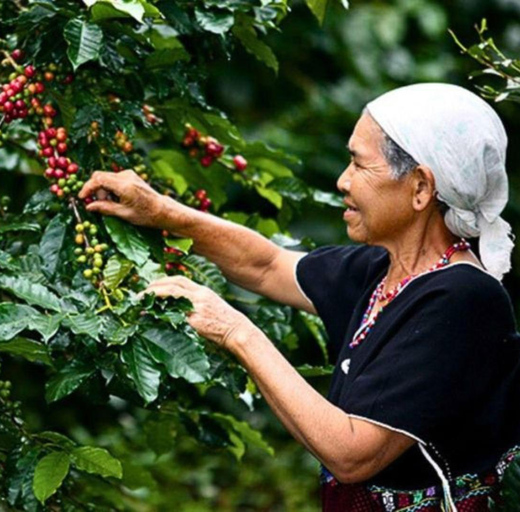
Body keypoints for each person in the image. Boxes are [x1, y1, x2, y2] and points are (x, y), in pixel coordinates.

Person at [77, 83, 520, 511]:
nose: (342, 181)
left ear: (421, 187)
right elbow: (266, 265)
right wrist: (161, 212)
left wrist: (234, 331)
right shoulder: (384, 271)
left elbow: (352, 454)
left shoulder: (462, 300)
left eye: (359, 165)